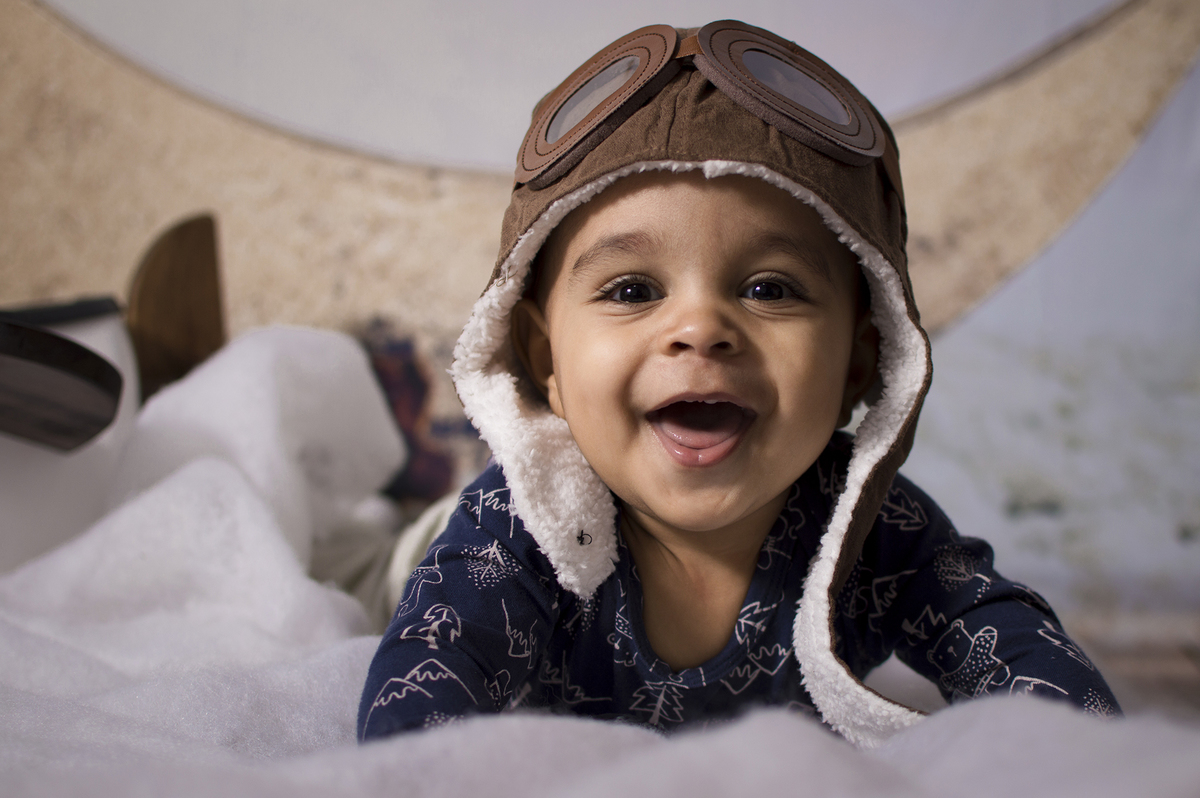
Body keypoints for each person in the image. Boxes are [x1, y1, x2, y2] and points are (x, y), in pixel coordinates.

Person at [358, 20, 1120, 747]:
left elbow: (1017, 652)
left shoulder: (873, 532)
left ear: (859, 365)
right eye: (632, 290)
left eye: (769, 289)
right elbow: (418, 712)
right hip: (412, 561)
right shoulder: (519, 525)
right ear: (544, 359)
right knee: (364, 563)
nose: (700, 327)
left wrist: (1084, 757)